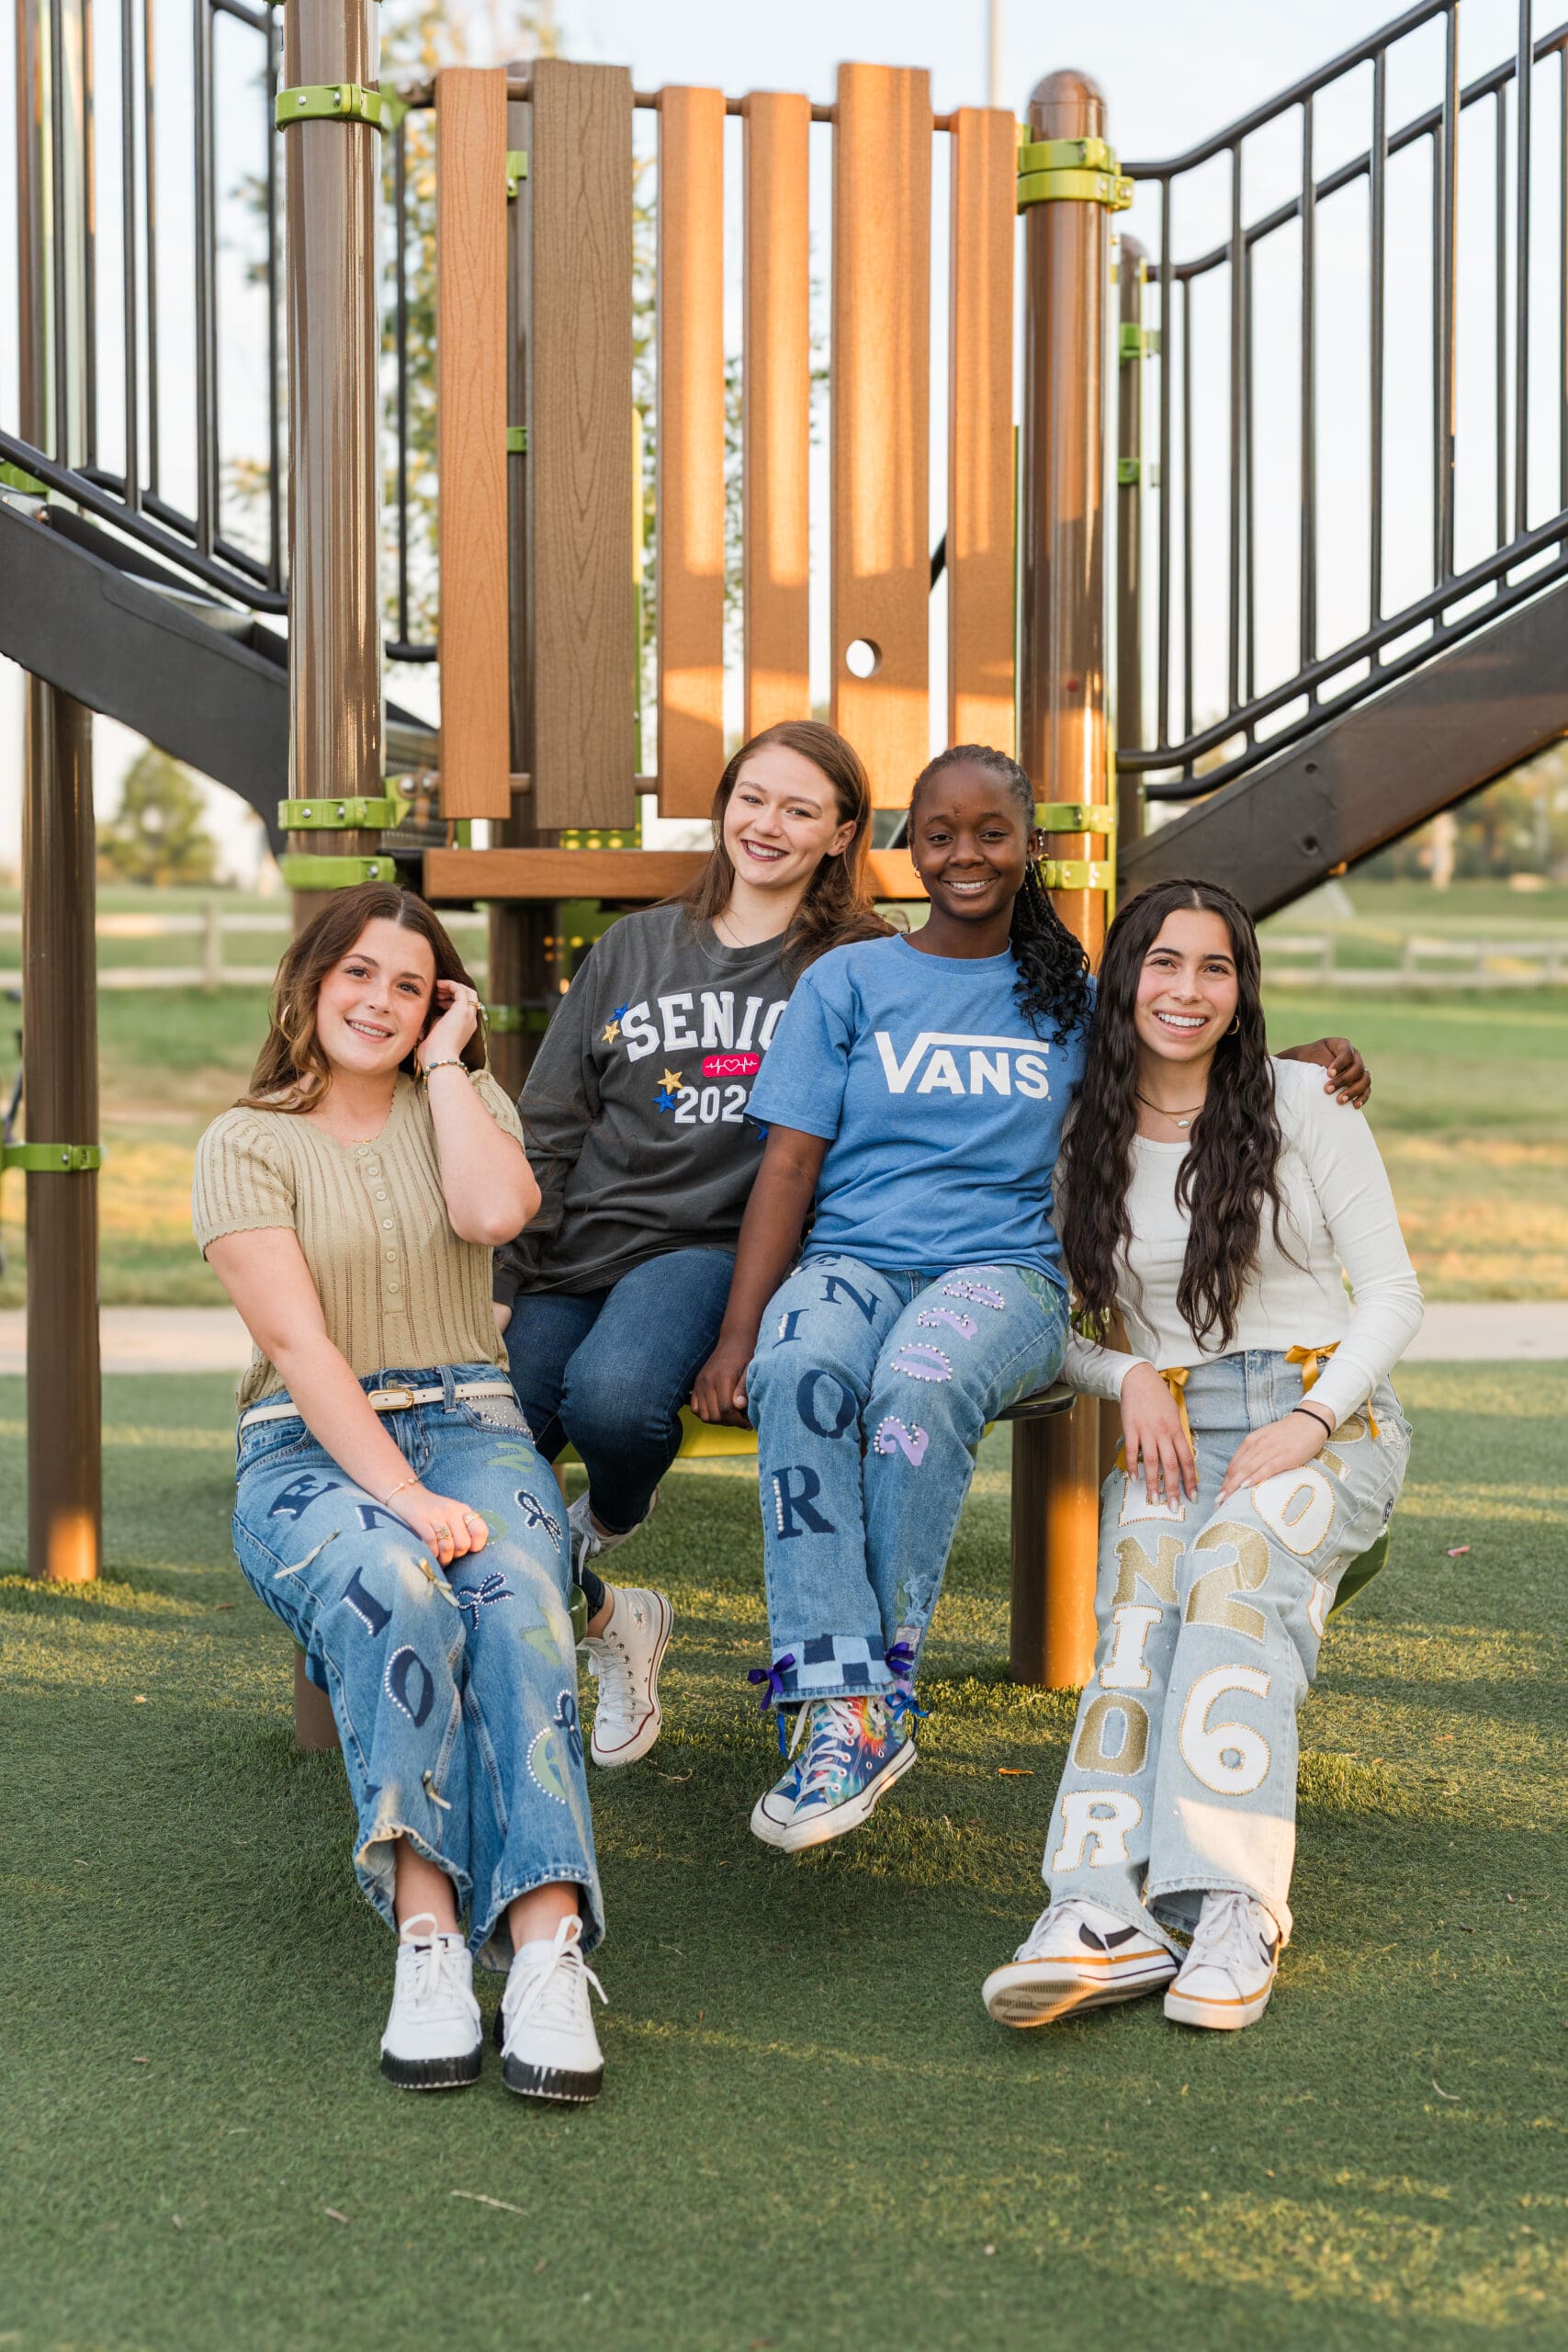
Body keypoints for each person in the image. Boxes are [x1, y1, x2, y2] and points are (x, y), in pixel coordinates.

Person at [694, 748, 1374, 1861]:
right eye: (942, 834)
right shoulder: (850, 983)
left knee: (921, 1380)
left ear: (1029, 847)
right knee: (794, 1372)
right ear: (905, 848)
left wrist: (1299, 1061)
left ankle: (868, 1701)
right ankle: (841, 1704)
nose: (967, 854)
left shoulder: (1075, 993)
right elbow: (787, 1168)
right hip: (853, 1258)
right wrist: (737, 1333)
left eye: (992, 832)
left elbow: (1187, 1047)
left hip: (1005, 1276)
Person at [981, 875, 1421, 2037]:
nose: (1187, 989)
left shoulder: (1306, 1101)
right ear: (1125, 978)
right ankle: (1095, 1910)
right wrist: (1126, 1375)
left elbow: (1392, 1294)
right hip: (1174, 1425)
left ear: (1241, 989)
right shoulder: (1079, 1128)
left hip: (1327, 1421)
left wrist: (1313, 1418)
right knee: (1135, 1614)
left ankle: (1231, 1903)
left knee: (1229, 1572)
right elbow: (1051, 1325)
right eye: (1164, 963)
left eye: (1215, 967)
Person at [193, 883, 608, 2102]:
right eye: (358, 975)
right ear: (311, 980)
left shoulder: (459, 1098)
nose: (379, 1002)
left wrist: (443, 1066)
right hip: (305, 1445)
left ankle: (543, 1943)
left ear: (441, 1008)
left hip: (474, 1420)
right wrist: (403, 1499)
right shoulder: (247, 1141)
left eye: (411, 986)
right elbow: (305, 1350)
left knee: (521, 1591)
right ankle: (426, 1940)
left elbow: (494, 1214)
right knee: (396, 1583)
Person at [493, 719, 888, 1769]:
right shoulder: (633, 946)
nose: (768, 824)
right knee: (498, 1429)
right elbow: (552, 1121)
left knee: (614, 1399)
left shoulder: (858, 963)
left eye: (801, 809)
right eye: (752, 797)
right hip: (582, 1241)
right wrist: (506, 1274)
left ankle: (606, 1522)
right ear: (722, 805)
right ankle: (614, 1617)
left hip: (714, 1245)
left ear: (842, 833)